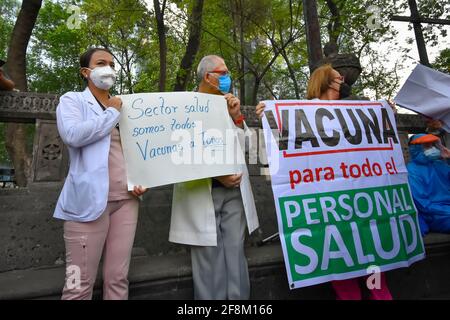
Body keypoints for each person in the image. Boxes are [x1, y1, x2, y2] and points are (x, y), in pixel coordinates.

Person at [256, 63, 392, 300]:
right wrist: (267, 114)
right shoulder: (303, 112)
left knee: (374, 266)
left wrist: (385, 113)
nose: (344, 82)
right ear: (326, 82)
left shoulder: (356, 109)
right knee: (343, 268)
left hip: (359, 201)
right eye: (339, 78)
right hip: (329, 207)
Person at [54, 47, 147, 300]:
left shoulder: (126, 106)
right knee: (78, 284)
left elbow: (136, 151)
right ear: (86, 72)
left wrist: (141, 179)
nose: (108, 68)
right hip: (87, 202)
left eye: (112, 64)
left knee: (118, 278)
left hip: (126, 201)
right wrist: (112, 113)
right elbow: (73, 136)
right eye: (101, 63)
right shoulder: (72, 100)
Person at [169, 55, 260, 300]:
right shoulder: (183, 105)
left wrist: (237, 117)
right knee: (208, 259)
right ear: (207, 77)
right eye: (223, 73)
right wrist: (218, 175)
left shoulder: (227, 104)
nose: (227, 78)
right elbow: (178, 149)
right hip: (201, 191)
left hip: (234, 192)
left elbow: (248, 149)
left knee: (235, 252)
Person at [407, 133, 450, 236]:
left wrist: (448, 157)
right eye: (427, 145)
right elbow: (423, 205)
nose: (431, 148)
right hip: (435, 215)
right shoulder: (412, 171)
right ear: (416, 148)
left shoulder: (440, 164)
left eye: (432, 145)